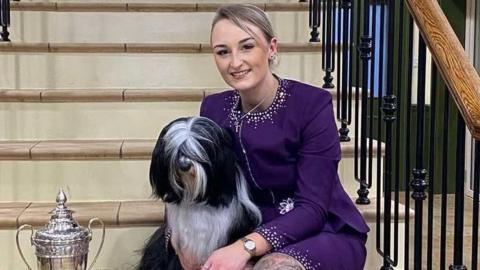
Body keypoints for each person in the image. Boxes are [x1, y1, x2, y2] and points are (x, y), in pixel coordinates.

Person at [198, 4, 370, 270]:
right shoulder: (213, 109)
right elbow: (202, 184)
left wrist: (244, 247)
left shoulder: (311, 105)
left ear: (272, 48)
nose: (235, 62)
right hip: (250, 226)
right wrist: (178, 236)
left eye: (247, 46)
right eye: (223, 52)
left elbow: (313, 208)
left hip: (323, 230)